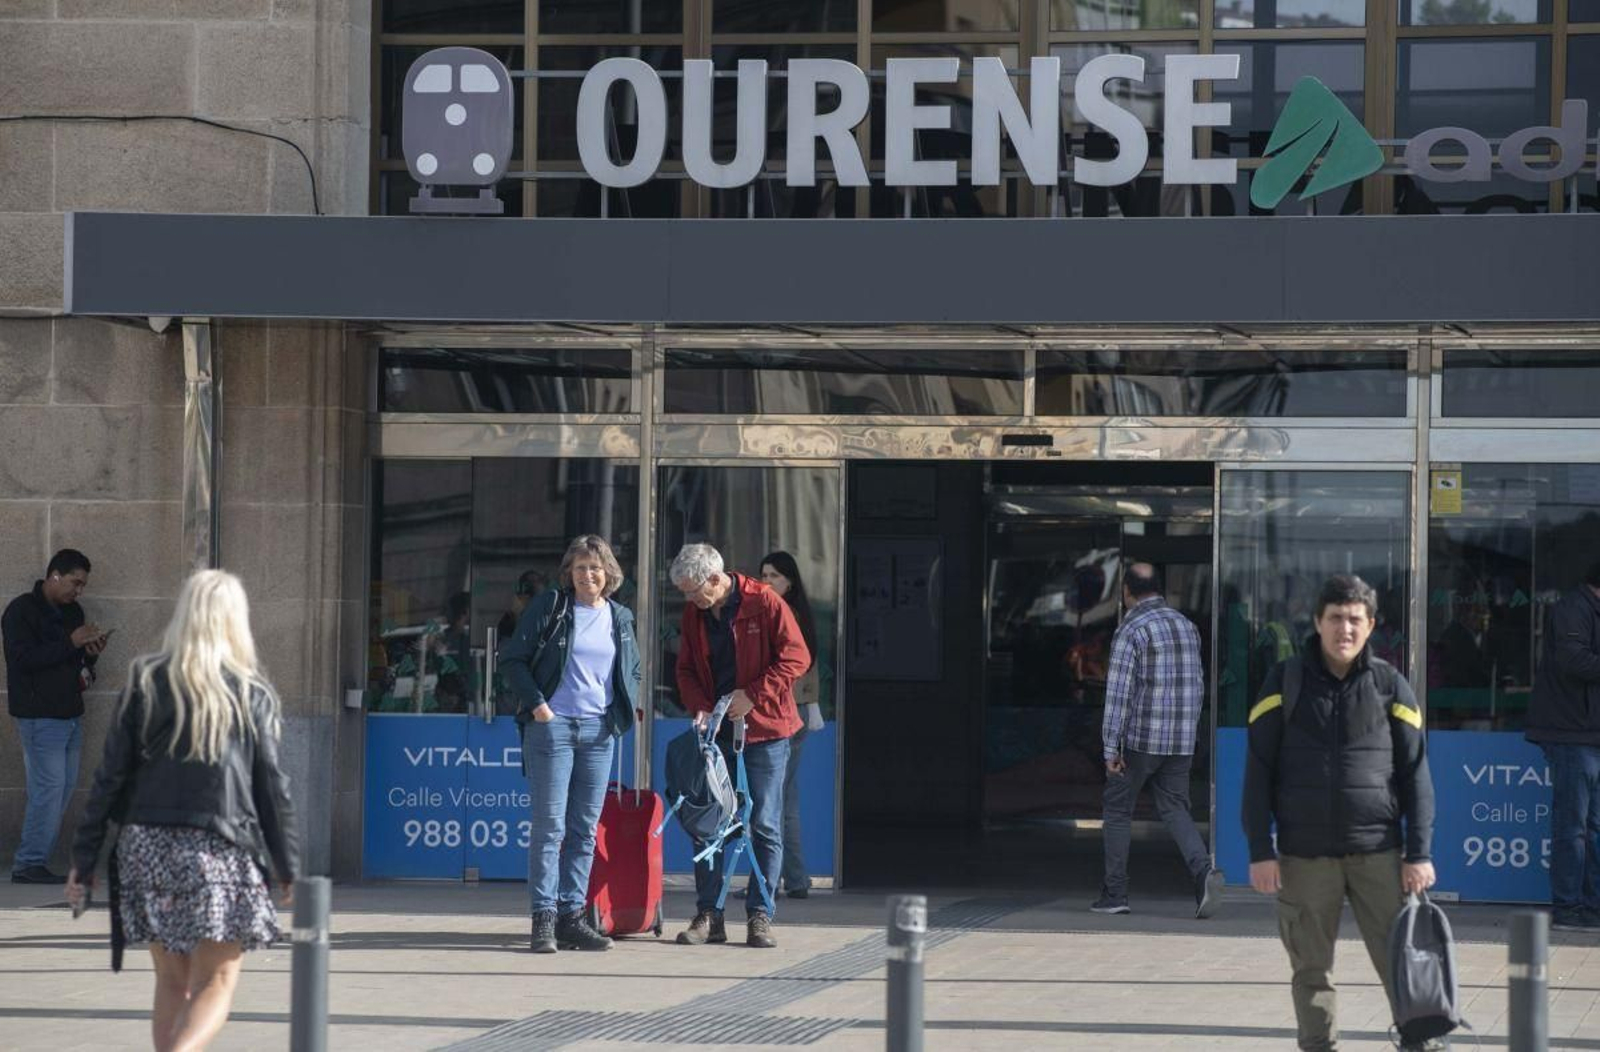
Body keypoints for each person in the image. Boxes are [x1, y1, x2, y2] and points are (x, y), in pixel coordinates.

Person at [66, 569, 298, 1052]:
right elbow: (271, 788)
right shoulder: (249, 692)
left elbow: (109, 778)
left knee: (171, 981)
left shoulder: (145, 680)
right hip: (217, 848)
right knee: (216, 982)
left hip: (146, 847)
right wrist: (287, 864)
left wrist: (84, 861)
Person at [1244, 574, 1437, 1052]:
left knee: (1401, 962)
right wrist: (1258, 850)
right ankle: (1319, 1045)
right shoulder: (1283, 681)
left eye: (1355, 620)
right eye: (1335, 618)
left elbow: (1416, 774)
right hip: (1304, 857)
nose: (1344, 629)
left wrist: (1420, 853)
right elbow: (1258, 772)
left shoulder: (1391, 686)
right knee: (1310, 969)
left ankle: (1421, 1043)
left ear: (1371, 626)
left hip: (1379, 855)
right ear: (1317, 622)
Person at [500, 535, 639, 954]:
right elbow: (512, 660)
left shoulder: (621, 616)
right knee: (549, 827)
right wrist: (539, 707)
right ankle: (543, 917)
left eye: (595, 567)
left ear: (608, 573)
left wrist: (623, 712)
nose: (587, 575)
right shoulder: (551, 607)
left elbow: (631, 669)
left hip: (599, 733)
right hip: (552, 729)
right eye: (580, 568)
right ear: (569, 573)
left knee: (584, 830)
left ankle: (571, 916)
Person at [669, 543, 809, 949]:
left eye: (696, 590)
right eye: (686, 593)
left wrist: (754, 694)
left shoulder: (763, 602)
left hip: (766, 729)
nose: (692, 599)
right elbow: (686, 669)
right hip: (716, 733)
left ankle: (760, 913)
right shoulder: (695, 613)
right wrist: (699, 707)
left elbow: (796, 657)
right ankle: (709, 914)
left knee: (764, 821)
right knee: (710, 820)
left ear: (717, 578)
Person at [1093, 562, 1217, 918]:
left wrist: (1110, 749)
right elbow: (1197, 684)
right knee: (1175, 808)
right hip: (1180, 740)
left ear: (1126, 591)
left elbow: (1118, 694)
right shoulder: (1186, 626)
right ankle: (1202, 872)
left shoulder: (1132, 628)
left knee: (1117, 809)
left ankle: (1115, 893)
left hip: (1140, 740)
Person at [5, 548, 105, 884]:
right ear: (55, 575)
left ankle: (34, 860)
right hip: (39, 715)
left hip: (70, 712)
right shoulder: (21, 611)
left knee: (60, 790)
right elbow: (22, 660)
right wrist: (70, 641)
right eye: (75, 583)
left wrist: (89, 655)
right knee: (47, 790)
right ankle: (28, 863)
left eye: (83, 586)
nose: (79, 591)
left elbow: (73, 661)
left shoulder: (73, 611)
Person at [1526, 562, 1600, 932]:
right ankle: (1568, 908)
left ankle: (1590, 906)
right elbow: (1574, 661)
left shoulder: (1587, 609)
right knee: (1573, 826)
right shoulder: (1574, 609)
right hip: (1572, 734)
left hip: (1589, 733)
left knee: (1592, 825)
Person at [760, 551, 826, 900]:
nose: (767, 582)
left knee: (774, 800)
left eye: (774, 576)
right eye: (763, 575)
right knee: (782, 798)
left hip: (785, 713)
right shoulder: (788, 612)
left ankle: (782, 878)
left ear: (790, 581)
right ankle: (789, 877)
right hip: (791, 711)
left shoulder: (787, 616)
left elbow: (791, 668)